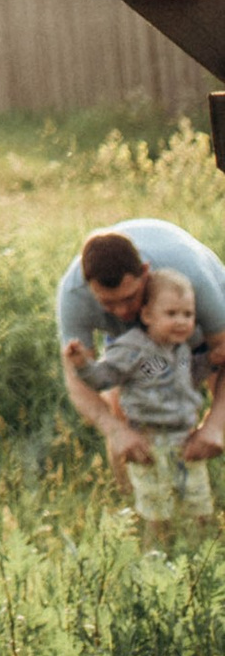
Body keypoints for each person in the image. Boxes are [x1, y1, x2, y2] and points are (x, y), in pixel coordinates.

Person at [56, 219, 225, 477]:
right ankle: (135, 511)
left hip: (197, 326)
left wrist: (214, 425)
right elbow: (78, 380)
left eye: (129, 298)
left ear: (145, 272)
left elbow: (222, 349)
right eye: (108, 304)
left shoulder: (191, 275)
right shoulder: (74, 296)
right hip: (132, 340)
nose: (122, 311)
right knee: (125, 423)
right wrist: (116, 431)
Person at [79, 263, 217, 538]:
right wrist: (83, 365)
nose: (181, 321)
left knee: (200, 504)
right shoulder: (132, 349)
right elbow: (104, 377)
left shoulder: (180, 350)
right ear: (147, 314)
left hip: (184, 439)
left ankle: (209, 555)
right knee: (156, 511)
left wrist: (209, 362)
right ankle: (155, 560)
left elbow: (186, 378)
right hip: (149, 440)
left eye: (187, 314)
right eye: (171, 314)